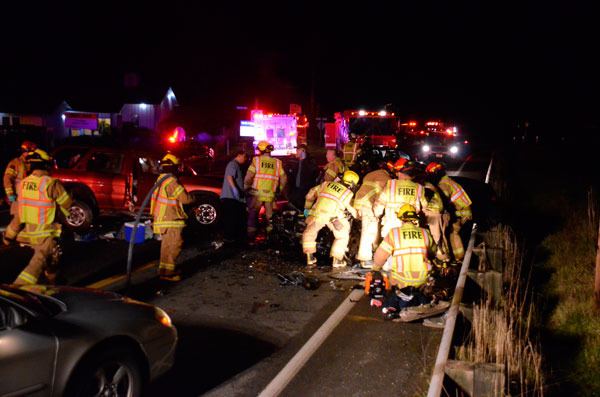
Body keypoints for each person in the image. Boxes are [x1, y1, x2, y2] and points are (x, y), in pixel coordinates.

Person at [5, 149, 72, 286]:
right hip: (46, 234)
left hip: (28, 234)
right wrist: (66, 214)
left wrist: (8, 237)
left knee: (52, 259)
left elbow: (19, 214)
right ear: (46, 165)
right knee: (37, 263)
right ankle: (17, 289)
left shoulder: (23, 184)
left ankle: (55, 284)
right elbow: (67, 205)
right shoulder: (51, 184)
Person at [369, 204, 437, 319]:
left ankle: (394, 304)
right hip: (422, 280)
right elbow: (434, 252)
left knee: (390, 280)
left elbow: (379, 257)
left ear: (401, 218)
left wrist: (374, 269)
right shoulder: (425, 233)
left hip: (400, 281)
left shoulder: (394, 233)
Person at [151, 153, 195, 282]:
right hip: (171, 219)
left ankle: (164, 270)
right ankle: (169, 273)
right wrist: (195, 198)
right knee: (175, 245)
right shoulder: (172, 181)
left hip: (162, 218)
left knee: (167, 246)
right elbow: (185, 199)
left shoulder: (160, 179)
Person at [302, 170, 359, 268]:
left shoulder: (326, 184)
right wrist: (359, 216)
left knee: (310, 232)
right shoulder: (348, 193)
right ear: (353, 184)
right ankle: (337, 260)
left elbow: (310, 194)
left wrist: (307, 208)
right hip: (333, 217)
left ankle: (309, 257)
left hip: (317, 214)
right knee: (342, 235)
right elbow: (352, 209)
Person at [425, 162, 472, 261]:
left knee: (452, 232)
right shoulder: (447, 180)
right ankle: (458, 258)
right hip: (464, 211)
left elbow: (442, 202)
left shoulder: (443, 184)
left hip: (461, 213)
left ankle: (459, 258)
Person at [373, 158, 428, 239]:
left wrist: (377, 214)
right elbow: (425, 206)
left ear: (399, 172)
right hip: (411, 228)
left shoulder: (391, 185)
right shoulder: (419, 187)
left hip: (391, 225)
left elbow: (380, 203)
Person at [244, 141, 287, 237]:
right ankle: (270, 235)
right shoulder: (277, 162)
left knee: (253, 214)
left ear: (261, 150)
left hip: (257, 194)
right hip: (270, 194)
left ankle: (251, 237)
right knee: (270, 217)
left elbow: (249, 176)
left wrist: (246, 186)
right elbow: (284, 178)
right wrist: (279, 189)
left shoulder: (256, 161)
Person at [353, 162, 392, 268]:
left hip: (359, 201)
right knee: (369, 231)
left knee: (372, 229)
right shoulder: (387, 179)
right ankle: (364, 259)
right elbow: (380, 200)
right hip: (368, 204)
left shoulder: (370, 174)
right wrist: (378, 213)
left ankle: (372, 254)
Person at [220, 150, 248, 246]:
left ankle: (231, 238)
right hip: (230, 197)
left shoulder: (236, 165)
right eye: (244, 157)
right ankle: (229, 239)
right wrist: (235, 190)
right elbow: (229, 177)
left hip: (233, 198)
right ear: (239, 155)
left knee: (234, 219)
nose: (245, 159)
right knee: (231, 219)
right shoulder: (233, 164)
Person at [3, 141, 37, 215]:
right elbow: (7, 179)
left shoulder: (35, 163)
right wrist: (11, 195)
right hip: (18, 199)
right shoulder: (16, 163)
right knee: (18, 221)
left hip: (31, 199)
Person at [287, 144, 319, 211]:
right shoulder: (296, 162)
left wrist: (304, 160)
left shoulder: (310, 161)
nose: (296, 151)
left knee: (304, 210)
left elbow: (314, 172)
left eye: (298, 150)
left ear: (303, 151)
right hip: (297, 190)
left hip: (305, 191)